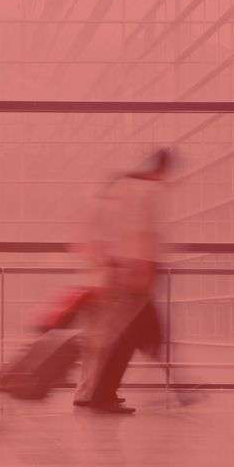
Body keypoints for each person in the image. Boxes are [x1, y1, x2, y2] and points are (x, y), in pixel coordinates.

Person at [71, 149, 177, 414]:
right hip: (124, 275)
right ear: (160, 170)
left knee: (102, 337)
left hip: (101, 274)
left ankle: (89, 392)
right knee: (122, 337)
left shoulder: (113, 194)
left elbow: (87, 237)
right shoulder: (142, 192)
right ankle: (100, 394)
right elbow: (141, 235)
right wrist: (141, 272)